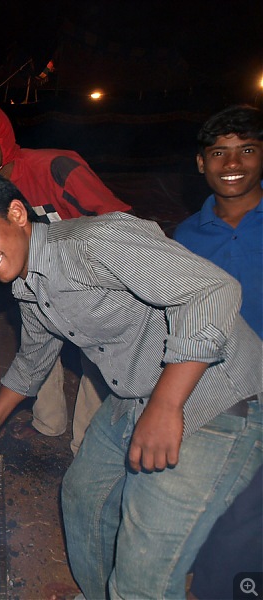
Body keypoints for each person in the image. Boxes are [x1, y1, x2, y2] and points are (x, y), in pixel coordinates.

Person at [0, 172, 261, 599]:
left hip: (214, 395)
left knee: (143, 574)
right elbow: (32, 362)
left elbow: (213, 292)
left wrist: (164, 407)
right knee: (84, 498)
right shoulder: (26, 284)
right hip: (136, 391)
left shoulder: (95, 242)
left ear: (16, 214)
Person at [0, 99, 131, 453]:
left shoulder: (53, 166)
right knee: (35, 347)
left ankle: (86, 443)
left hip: (88, 278)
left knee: (94, 360)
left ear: (5, 138)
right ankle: (48, 422)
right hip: (36, 281)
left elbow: (117, 216)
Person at [173, 104, 263, 600]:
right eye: (219, 152)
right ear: (201, 163)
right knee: (212, 502)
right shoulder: (187, 237)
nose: (233, 163)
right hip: (212, 392)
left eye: (247, 150)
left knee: (248, 520)